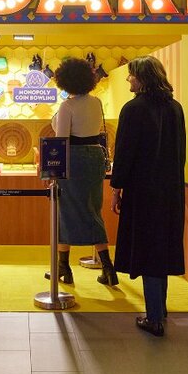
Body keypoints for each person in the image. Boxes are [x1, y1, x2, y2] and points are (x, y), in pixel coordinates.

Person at [110, 56, 186, 338]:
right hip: (172, 192)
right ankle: (160, 308)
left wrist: (117, 188)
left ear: (142, 78)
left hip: (144, 192)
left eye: (131, 75)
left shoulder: (133, 109)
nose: (128, 79)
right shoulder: (175, 108)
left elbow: (125, 153)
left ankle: (154, 318)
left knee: (148, 250)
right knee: (163, 248)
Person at [47, 58, 117, 286]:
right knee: (92, 209)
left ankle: (63, 267)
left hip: (74, 158)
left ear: (64, 81)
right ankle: (107, 268)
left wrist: (55, 120)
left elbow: (61, 139)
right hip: (95, 155)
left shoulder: (67, 106)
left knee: (64, 210)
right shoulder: (96, 102)